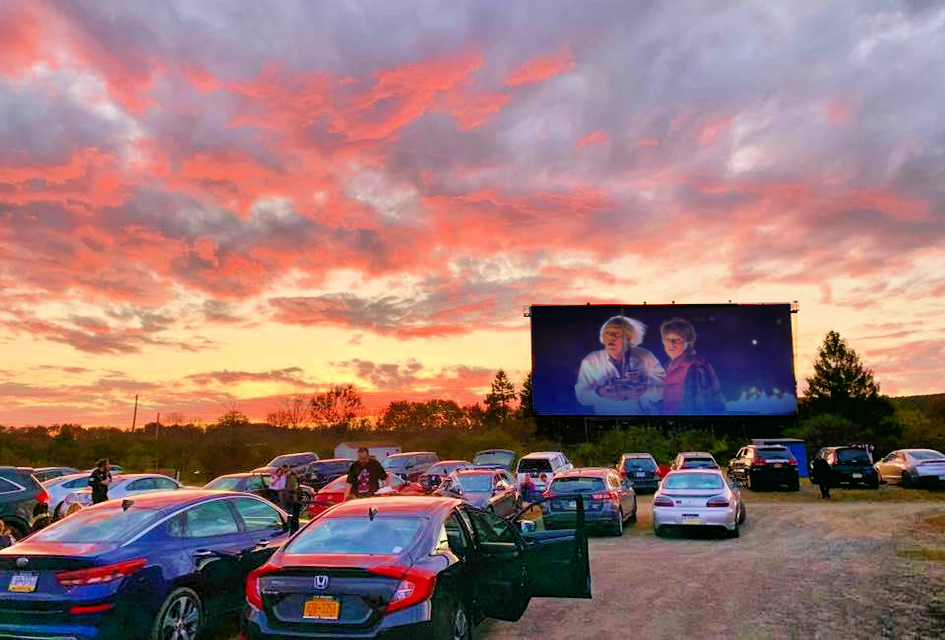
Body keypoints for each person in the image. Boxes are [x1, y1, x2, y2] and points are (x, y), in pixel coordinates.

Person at [575, 315, 665, 414]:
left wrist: (645, 389)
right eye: (607, 333)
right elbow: (581, 396)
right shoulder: (591, 360)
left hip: (642, 418)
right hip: (608, 421)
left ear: (628, 338)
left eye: (617, 333)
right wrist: (599, 392)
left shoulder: (646, 356)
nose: (611, 337)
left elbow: (665, 389)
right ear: (603, 338)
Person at [659, 318, 726, 415]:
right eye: (667, 339)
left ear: (689, 342)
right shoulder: (672, 367)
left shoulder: (694, 367)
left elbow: (698, 409)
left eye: (677, 339)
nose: (671, 343)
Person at [284, 466, 302, 533]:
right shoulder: (291, 476)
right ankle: (294, 529)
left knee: (294, 516)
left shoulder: (292, 477)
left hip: (294, 499)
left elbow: (294, 488)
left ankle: (294, 530)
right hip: (293, 499)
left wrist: (287, 490)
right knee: (294, 516)